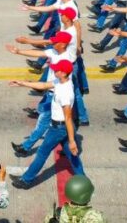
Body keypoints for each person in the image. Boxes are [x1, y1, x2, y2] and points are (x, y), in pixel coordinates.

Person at [10, 59, 84, 188]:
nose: (54, 70)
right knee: (72, 155)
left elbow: (68, 118)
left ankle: (26, 180)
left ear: (63, 73)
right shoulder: (61, 82)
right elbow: (44, 85)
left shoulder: (65, 92)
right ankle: (83, 180)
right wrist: (22, 83)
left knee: (42, 153)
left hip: (59, 128)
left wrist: (72, 141)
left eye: (57, 69)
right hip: (61, 128)